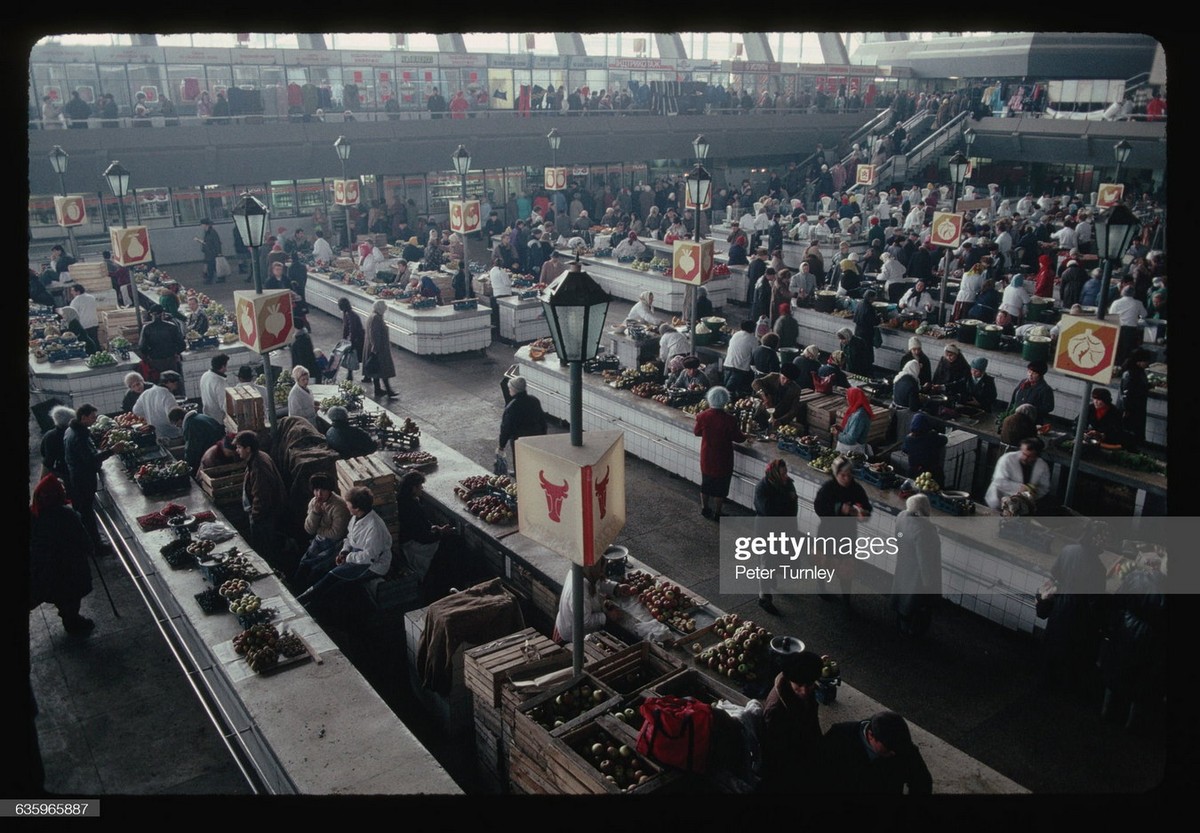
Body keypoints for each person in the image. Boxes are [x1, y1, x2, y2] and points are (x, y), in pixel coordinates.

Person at [1099, 552, 1166, 731]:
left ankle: (1106, 712)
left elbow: (1118, 601)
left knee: (1115, 673)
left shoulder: (1136, 577)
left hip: (1126, 631)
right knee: (1142, 684)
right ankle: (1131, 724)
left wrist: (1112, 626)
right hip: (1153, 640)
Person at [296, 486, 392, 611]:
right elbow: (349, 538)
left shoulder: (374, 527)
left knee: (336, 584)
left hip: (373, 565)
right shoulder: (356, 517)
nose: (346, 507)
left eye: (348, 505)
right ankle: (304, 599)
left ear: (357, 508)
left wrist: (348, 557)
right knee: (326, 572)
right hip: (356, 557)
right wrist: (344, 551)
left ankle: (309, 604)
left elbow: (370, 557)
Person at [1040, 521, 1108, 696]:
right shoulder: (1099, 568)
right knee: (1071, 654)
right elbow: (1096, 600)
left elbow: (1054, 576)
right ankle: (1065, 692)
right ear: (1097, 540)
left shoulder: (1068, 550)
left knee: (1053, 647)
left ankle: (1045, 684)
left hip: (1060, 608)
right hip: (1079, 615)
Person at [29, 474, 95, 635]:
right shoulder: (68, 515)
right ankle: (72, 620)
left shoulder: (34, 515)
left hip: (46, 567)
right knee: (72, 595)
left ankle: (67, 615)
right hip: (70, 566)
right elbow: (83, 538)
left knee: (60, 594)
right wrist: (90, 548)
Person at [816, 711, 933, 794]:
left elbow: (922, 782)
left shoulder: (901, 746)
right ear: (871, 735)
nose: (894, 754)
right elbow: (819, 770)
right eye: (888, 749)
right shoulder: (840, 736)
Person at [758, 648, 824, 792]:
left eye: (809, 685)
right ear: (789, 681)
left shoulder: (805, 692)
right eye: (799, 686)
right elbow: (777, 752)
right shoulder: (776, 709)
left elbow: (812, 722)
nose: (804, 691)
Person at [813, 456, 872, 604]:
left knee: (846, 566)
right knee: (824, 562)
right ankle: (821, 588)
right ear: (835, 474)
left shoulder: (856, 488)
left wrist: (864, 512)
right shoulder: (828, 488)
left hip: (847, 534)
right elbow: (819, 508)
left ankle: (846, 595)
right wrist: (839, 508)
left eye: (849, 475)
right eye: (842, 475)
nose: (846, 478)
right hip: (828, 532)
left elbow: (866, 507)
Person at [63, 404, 114, 555]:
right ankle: (96, 546)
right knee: (86, 511)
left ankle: (89, 541)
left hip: (75, 475)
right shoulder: (80, 435)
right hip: (84, 477)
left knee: (83, 509)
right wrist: (112, 451)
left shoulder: (70, 430)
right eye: (92, 417)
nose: (94, 420)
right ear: (83, 417)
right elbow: (90, 460)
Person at [891, 494, 942, 638]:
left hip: (904, 562)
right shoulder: (924, 531)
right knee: (916, 602)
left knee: (902, 592)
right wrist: (928, 583)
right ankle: (911, 631)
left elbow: (898, 536)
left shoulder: (901, 516)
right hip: (917, 572)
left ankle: (901, 622)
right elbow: (925, 560)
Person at [291, 473, 351, 593]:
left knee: (316, 569)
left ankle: (309, 596)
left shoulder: (338, 506)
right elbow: (308, 529)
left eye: (323, 490)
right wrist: (315, 513)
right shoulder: (314, 503)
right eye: (316, 490)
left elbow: (337, 533)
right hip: (320, 540)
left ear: (329, 490)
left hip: (336, 544)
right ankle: (295, 591)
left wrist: (318, 530)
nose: (319, 494)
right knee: (303, 564)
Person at [752, 459, 798, 616]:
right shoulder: (762, 488)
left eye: (786, 473)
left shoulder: (787, 484)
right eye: (783, 473)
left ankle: (771, 580)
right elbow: (769, 510)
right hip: (766, 530)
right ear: (774, 474)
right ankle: (764, 597)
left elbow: (793, 507)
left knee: (776, 559)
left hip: (783, 529)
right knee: (766, 562)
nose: (786, 476)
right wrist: (787, 500)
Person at [693, 386, 745, 520]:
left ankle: (705, 508)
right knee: (721, 488)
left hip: (707, 456)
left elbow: (697, 432)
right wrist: (747, 436)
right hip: (723, 458)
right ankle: (718, 512)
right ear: (725, 401)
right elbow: (738, 438)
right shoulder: (730, 419)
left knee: (706, 484)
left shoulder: (702, 416)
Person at [235, 430, 287, 563]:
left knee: (264, 548)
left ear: (248, 448)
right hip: (267, 513)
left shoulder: (259, 466)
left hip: (265, 516)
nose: (237, 450)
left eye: (239, 447)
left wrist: (255, 516)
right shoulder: (258, 457)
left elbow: (261, 496)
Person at [552, 558, 627, 644]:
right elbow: (585, 621)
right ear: (593, 568)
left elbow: (598, 582)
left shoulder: (586, 572)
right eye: (600, 570)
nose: (602, 573)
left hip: (577, 628)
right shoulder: (579, 590)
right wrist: (607, 616)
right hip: (570, 637)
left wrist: (616, 588)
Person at [985, 437, 1051, 512]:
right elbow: (999, 481)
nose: (1025, 458)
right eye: (1023, 453)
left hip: (1023, 505)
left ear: (1036, 456)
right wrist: (1022, 488)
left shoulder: (1042, 466)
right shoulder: (1007, 459)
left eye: (1029, 456)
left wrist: (1033, 494)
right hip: (998, 500)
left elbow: (1044, 487)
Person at [497, 376, 548, 472]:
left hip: (519, 439)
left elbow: (506, 428)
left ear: (514, 389)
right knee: (534, 460)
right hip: (535, 435)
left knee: (520, 462)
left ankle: (520, 478)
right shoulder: (534, 400)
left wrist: (501, 445)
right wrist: (543, 435)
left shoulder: (512, 407)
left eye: (510, 388)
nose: (509, 390)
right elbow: (542, 420)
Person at [170, 407, 225, 475]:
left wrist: (187, 466)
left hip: (212, 456)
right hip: (220, 449)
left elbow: (192, 449)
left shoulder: (190, 425)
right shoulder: (201, 416)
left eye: (176, 424)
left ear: (179, 420)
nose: (177, 426)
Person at [138, 304, 185, 383]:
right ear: (163, 313)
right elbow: (182, 344)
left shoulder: (147, 328)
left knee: (158, 382)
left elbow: (142, 346)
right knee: (173, 382)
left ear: (151, 314)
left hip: (155, 361)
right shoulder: (172, 326)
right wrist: (176, 352)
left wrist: (148, 355)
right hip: (171, 360)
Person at [363, 299, 398, 399]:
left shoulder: (373, 316)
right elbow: (375, 334)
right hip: (379, 349)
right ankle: (388, 390)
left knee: (376, 370)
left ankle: (378, 389)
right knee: (383, 370)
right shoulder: (376, 318)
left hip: (373, 347)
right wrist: (376, 348)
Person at [133, 370, 183, 439]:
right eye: (175, 382)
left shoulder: (146, 393)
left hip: (155, 432)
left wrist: (149, 416)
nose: (176, 385)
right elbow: (173, 415)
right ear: (168, 382)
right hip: (171, 434)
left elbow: (136, 410)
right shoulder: (167, 395)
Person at [1117, 350, 1151, 451]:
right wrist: (1126, 409)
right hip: (1130, 409)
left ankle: (1130, 448)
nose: (1148, 363)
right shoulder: (1131, 374)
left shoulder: (1138, 372)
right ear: (1139, 361)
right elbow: (1127, 393)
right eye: (1146, 361)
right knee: (1128, 431)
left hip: (1136, 408)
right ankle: (1126, 450)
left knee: (1133, 431)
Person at [1106, 285, 1147, 366]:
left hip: (1118, 328)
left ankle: (1115, 366)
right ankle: (1124, 366)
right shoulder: (1138, 303)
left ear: (1122, 292)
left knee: (1117, 348)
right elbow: (1144, 314)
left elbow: (1111, 314)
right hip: (1131, 329)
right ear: (1133, 293)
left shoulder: (1116, 302)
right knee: (1127, 350)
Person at [902, 413, 947, 484]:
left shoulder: (909, 439)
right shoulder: (932, 436)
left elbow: (904, 449)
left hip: (914, 472)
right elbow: (944, 440)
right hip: (932, 473)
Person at [832, 386, 874, 456]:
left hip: (851, 451)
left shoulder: (859, 416)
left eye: (848, 397)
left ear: (853, 398)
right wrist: (841, 429)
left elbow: (850, 440)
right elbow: (854, 430)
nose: (847, 399)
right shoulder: (857, 410)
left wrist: (837, 434)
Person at [39, 404, 75, 484]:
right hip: (77, 473)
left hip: (60, 474)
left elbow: (47, 460)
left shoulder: (50, 435)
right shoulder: (74, 434)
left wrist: (41, 482)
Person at [723, 320, 757, 397]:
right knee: (730, 391)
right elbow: (755, 354)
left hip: (728, 364)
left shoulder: (736, 335)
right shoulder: (753, 339)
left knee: (727, 387)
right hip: (740, 368)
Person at [337, 296, 365, 382]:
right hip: (357, 339)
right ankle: (351, 374)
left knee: (355, 356)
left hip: (358, 340)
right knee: (357, 357)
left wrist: (349, 341)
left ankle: (350, 374)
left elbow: (352, 330)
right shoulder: (349, 314)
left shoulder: (349, 315)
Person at [199, 354, 229, 423]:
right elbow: (224, 405)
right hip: (218, 419)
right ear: (222, 366)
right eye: (226, 365)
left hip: (206, 415)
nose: (227, 368)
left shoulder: (205, 375)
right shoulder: (220, 383)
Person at [196, 219, 223, 285]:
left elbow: (215, 242)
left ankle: (210, 279)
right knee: (213, 266)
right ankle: (219, 278)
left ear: (205, 225)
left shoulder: (210, 232)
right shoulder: (210, 232)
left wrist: (219, 252)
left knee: (211, 266)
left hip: (211, 252)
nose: (201, 226)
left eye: (202, 224)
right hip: (211, 252)